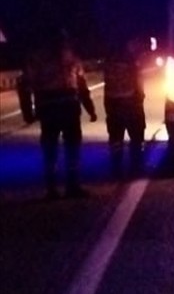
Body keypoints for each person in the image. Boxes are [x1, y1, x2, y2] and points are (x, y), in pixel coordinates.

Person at [18, 27, 98, 198]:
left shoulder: (40, 59)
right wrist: (90, 109)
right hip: (63, 108)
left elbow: (25, 86)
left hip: (53, 109)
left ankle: (56, 188)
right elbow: (82, 86)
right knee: (68, 148)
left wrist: (28, 112)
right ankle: (68, 186)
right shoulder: (69, 58)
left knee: (54, 149)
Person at [103, 35, 148, 178]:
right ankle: (136, 166)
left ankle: (116, 167)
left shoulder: (108, 63)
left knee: (116, 137)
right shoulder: (131, 62)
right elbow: (138, 82)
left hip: (112, 103)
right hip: (131, 103)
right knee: (136, 136)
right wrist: (140, 97)